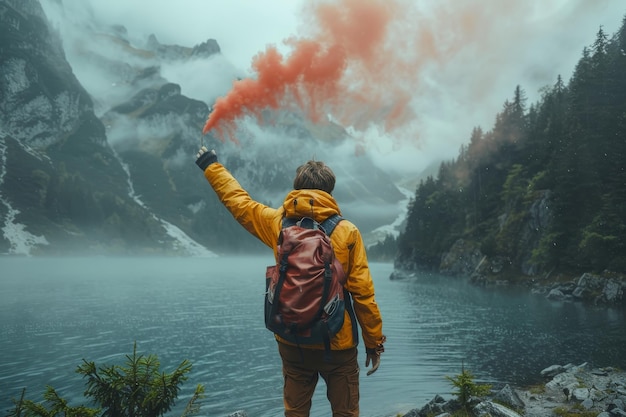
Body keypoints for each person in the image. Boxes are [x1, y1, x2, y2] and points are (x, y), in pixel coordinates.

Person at [195, 146, 385, 417]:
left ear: (297, 188)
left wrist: (211, 165)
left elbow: (239, 202)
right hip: (337, 342)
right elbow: (363, 294)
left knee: (295, 412)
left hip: (293, 340)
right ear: (330, 191)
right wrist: (374, 343)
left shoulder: (278, 224)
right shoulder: (347, 232)